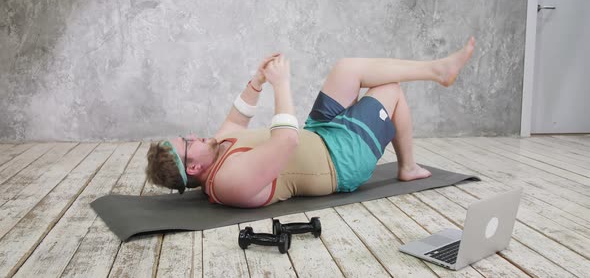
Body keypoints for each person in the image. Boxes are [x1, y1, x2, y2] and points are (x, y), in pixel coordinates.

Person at [146, 38, 476, 208]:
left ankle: (437, 70)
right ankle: (409, 165)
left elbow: (237, 118)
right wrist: (282, 84)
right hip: (340, 162)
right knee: (390, 89)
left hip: (318, 134)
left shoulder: (215, 152)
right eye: (187, 143)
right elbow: (286, 142)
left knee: (347, 67)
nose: (193, 135)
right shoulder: (229, 181)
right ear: (193, 169)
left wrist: (258, 81)